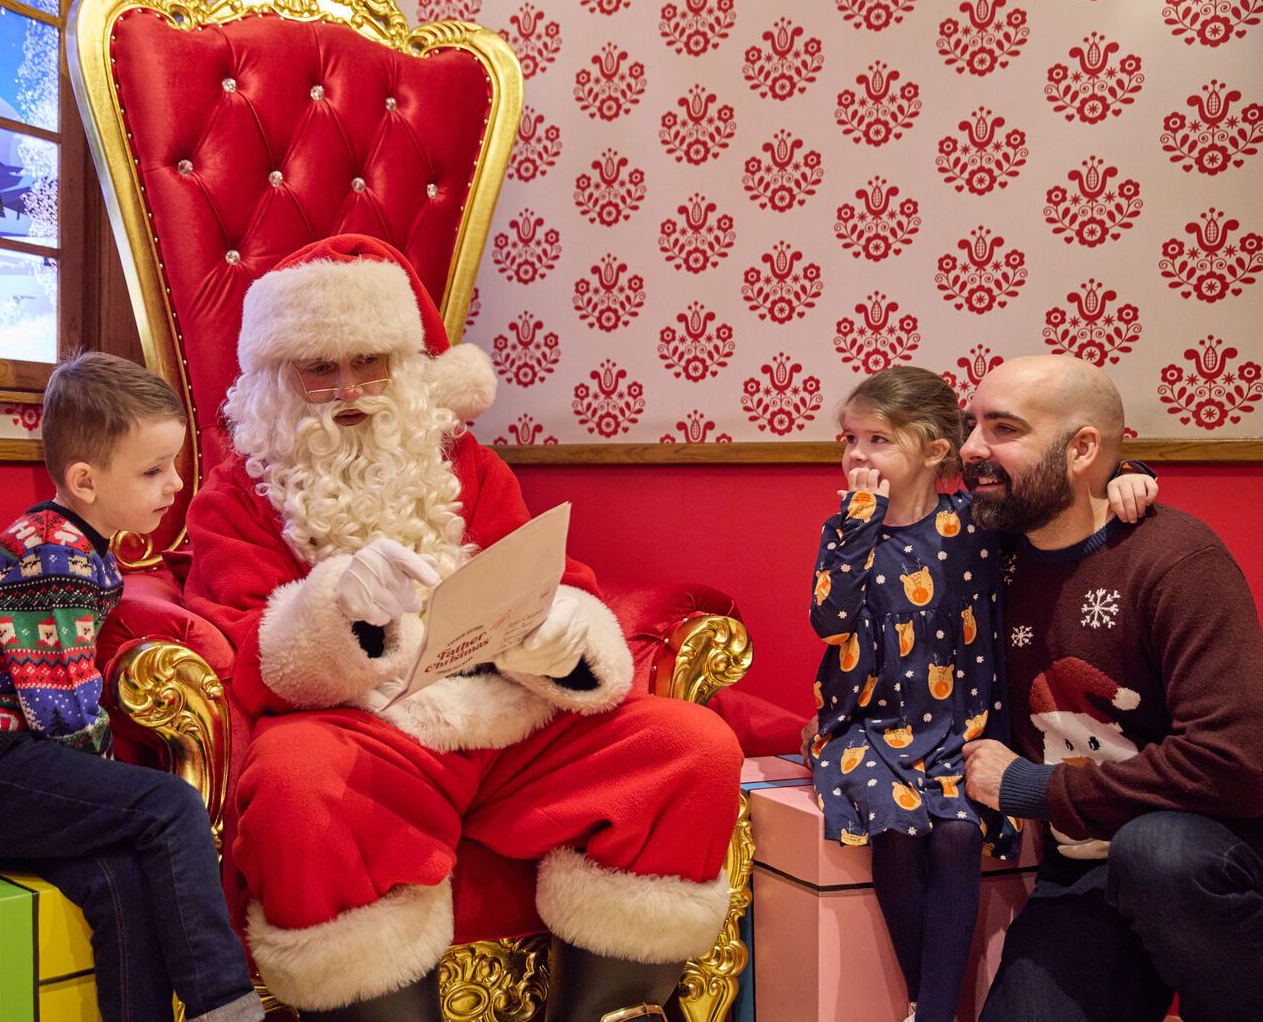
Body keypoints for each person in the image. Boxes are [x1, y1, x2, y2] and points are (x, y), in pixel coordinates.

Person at [182, 234, 742, 1022]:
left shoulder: (468, 467)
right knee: (296, 783)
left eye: (369, 362)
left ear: (405, 366)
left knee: (691, 747)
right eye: (318, 368)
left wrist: (556, 639)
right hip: (366, 734)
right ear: (276, 378)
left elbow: (553, 580)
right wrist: (337, 615)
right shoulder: (234, 496)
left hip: (508, 725)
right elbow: (246, 644)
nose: (349, 389)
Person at [0, 351, 262, 1022]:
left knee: (119, 876)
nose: (175, 483)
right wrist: (121, 790)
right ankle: (227, 1007)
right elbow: (60, 709)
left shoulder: (79, 545)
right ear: (85, 480)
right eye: (152, 471)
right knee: (170, 807)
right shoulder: (53, 554)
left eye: (173, 465)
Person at [804, 367, 1157, 1022]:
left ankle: (933, 1011)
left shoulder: (974, 523)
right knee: (897, 831)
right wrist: (860, 518)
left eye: (876, 439)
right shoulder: (846, 531)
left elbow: (1056, 496)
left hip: (958, 726)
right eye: (848, 439)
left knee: (958, 836)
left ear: (935, 449)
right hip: (870, 728)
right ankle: (926, 1004)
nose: (856, 455)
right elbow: (830, 621)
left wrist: (1125, 474)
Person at [961, 354, 1263, 1022]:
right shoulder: (985, 554)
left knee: (1157, 851)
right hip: (1082, 869)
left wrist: (1036, 789)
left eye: (1002, 428)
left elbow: (1236, 761)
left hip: (1213, 854)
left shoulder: (1175, 559)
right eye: (970, 425)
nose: (972, 447)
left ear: (1081, 449)